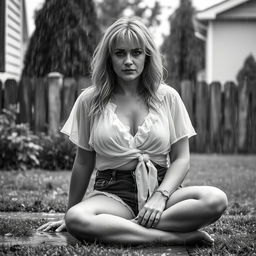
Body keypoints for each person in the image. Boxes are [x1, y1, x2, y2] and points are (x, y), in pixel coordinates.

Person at [37, 17, 228, 245]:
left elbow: (181, 158)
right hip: (113, 195)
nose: (128, 61)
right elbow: (83, 162)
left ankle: (123, 230)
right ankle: (170, 238)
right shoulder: (90, 100)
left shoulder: (168, 97)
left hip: (162, 191)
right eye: (120, 53)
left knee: (216, 199)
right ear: (109, 57)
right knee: (77, 217)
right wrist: (69, 214)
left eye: (136, 53)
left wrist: (160, 196)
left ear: (147, 56)